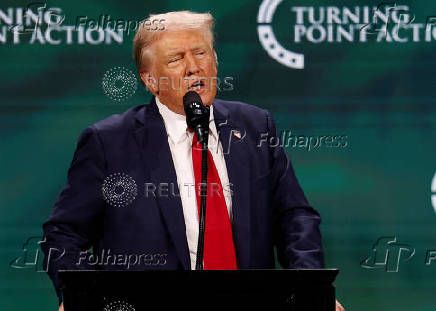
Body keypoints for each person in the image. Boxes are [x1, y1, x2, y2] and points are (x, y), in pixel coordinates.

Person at [41, 11, 344, 311]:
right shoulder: (109, 142)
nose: (193, 68)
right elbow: (65, 233)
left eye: (200, 53)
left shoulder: (255, 126)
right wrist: (81, 298)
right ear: (150, 80)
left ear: (214, 60)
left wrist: (310, 292)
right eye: (175, 59)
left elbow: (295, 218)